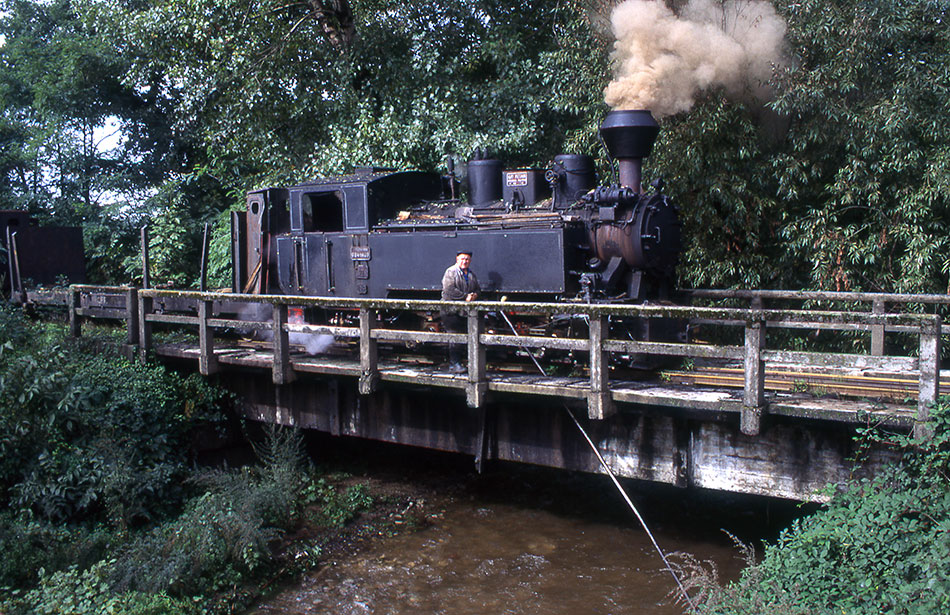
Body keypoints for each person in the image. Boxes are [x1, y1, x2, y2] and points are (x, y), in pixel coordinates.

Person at [441, 250, 480, 372]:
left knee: (464, 337)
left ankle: (461, 363)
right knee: (455, 337)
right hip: (451, 311)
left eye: (467, 259)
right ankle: (454, 364)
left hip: (463, 311)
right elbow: (449, 289)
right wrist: (465, 297)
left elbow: (477, 289)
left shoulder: (471, 274)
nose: (465, 261)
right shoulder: (451, 272)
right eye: (462, 259)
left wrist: (474, 295)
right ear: (457, 259)